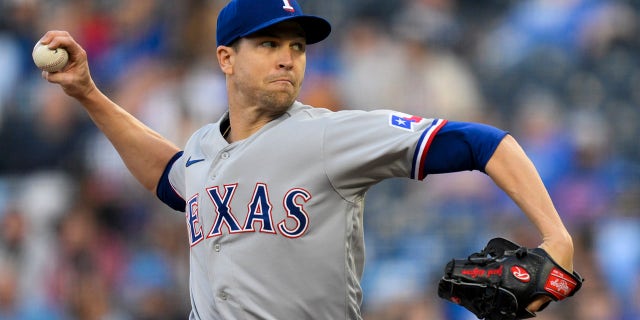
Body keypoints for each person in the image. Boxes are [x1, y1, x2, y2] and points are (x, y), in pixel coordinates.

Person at [39, 0, 575, 318]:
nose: (287, 59)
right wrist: (87, 92)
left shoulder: (329, 136)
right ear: (226, 57)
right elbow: (169, 175)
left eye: (296, 47)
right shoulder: (204, 147)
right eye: (269, 44)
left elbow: (484, 142)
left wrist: (558, 236)